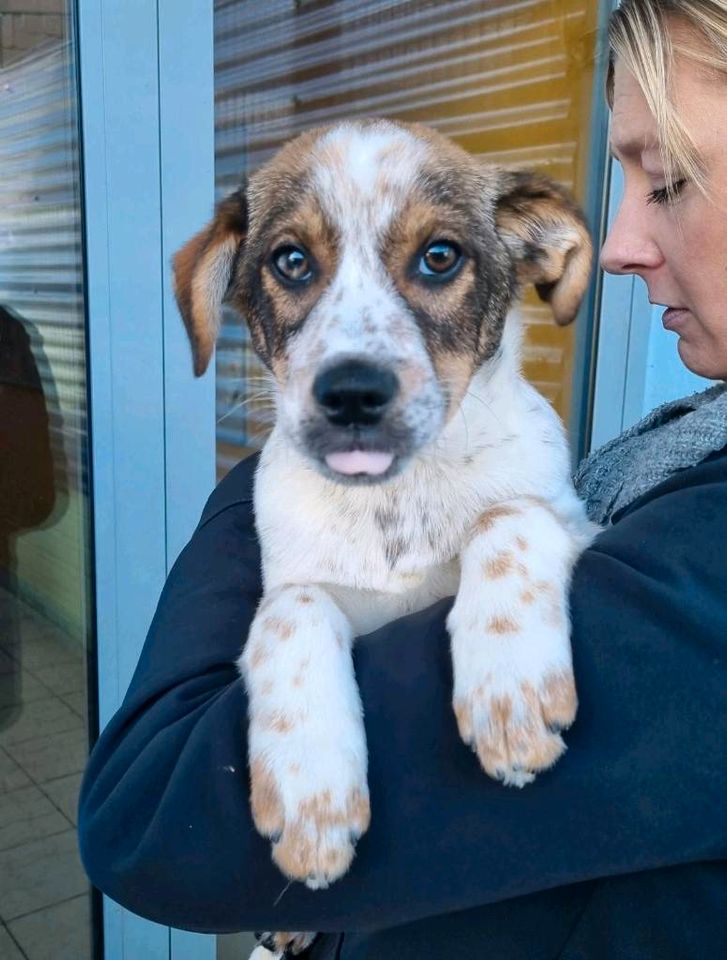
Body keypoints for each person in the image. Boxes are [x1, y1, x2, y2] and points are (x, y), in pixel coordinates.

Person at [78, 2, 727, 957]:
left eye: (670, 179)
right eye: (293, 262)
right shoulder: (670, 445)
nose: (623, 239)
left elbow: (152, 814)